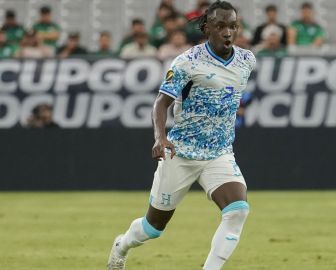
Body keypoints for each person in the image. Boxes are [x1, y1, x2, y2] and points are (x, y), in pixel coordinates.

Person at [106, 1, 256, 270]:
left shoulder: (246, 60)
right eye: (220, 26)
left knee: (238, 211)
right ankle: (122, 244)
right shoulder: (187, 62)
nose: (227, 32)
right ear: (206, 28)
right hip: (181, 152)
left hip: (219, 153)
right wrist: (160, 137)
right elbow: (160, 103)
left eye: (232, 26)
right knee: (153, 228)